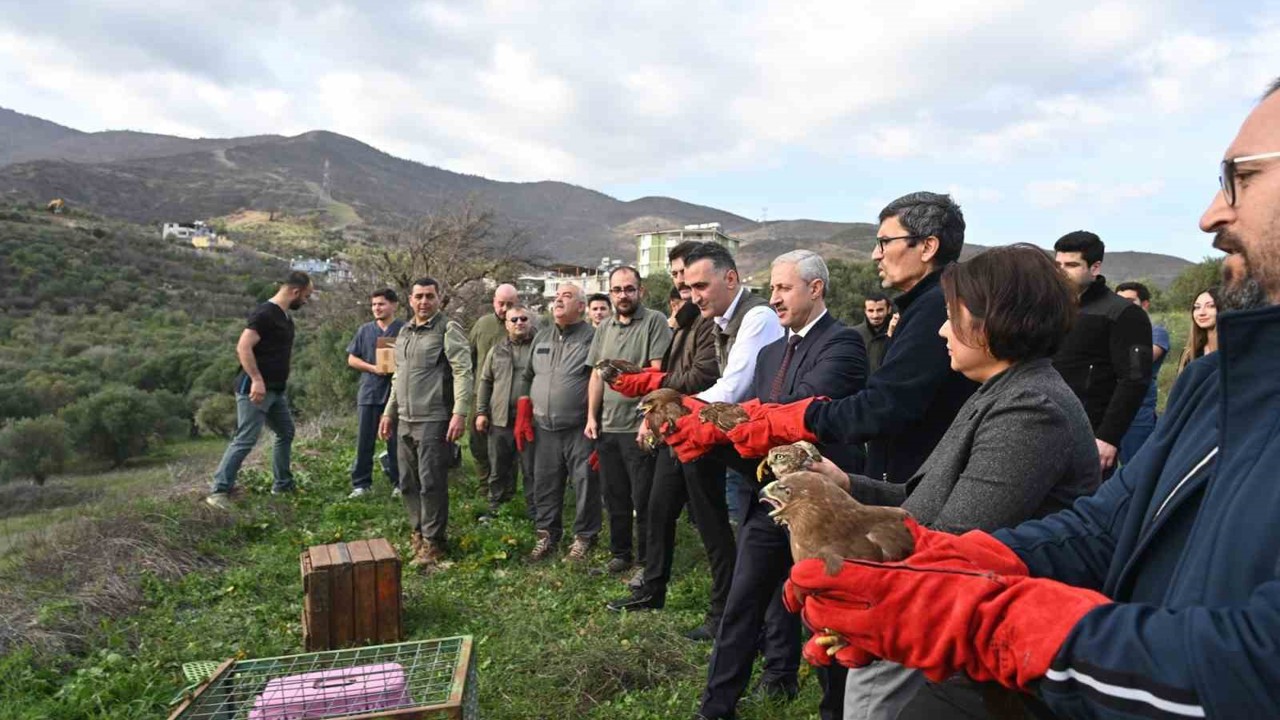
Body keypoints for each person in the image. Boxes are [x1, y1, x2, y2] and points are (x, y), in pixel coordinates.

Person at [784, 75, 1280, 720]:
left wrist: (984, 618)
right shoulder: (1220, 384)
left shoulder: (1032, 404)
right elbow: (1107, 526)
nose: (1211, 213)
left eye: (1238, 176)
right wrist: (944, 563)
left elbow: (1255, 671)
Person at [806, 244, 1101, 719]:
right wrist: (848, 486)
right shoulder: (999, 389)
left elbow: (954, 539)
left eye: (952, 316)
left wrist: (861, 584)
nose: (943, 329)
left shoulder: (1030, 410)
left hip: (976, 640)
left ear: (996, 319)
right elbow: (925, 499)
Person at [695, 249, 868, 720]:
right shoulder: (771, 352)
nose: (773, 298)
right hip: (766, 500)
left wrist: (730, 423)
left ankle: (836, 709)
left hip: (822, 505)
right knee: (742, 602)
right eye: (771, 288)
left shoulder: (844, 344)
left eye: (783, 288)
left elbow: (800, 411)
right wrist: (705, 430)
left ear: (816, 289)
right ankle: (716, 708)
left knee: (827, 610)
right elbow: (751, 421)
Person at [603, 241, 731, 643]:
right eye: (677, 275)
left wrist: (651, 384)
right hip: (675, 432)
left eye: (687, 276)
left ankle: (722, 610)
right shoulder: (687, 317)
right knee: (656, 511)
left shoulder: (711, 319)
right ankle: (652, 589)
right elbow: (680, 371)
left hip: (700, 433)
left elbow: (701, 377)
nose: (681, 284)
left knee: (713, 527)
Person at [683, 242, 786, 523]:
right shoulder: (721, 320)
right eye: (690, 288)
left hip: (765, 447)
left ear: (730, 279)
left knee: (759, 529)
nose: (694, 298)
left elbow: (735, 386)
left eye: (701, 286)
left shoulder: (758, 317)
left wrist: (677, 411)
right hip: (743, 440)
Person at [378, 277, 472, 570]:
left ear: (438, 298)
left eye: (429, 296)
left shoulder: (448, 328)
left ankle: (434, 542)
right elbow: (397, 377)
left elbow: (462, 372)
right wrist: (388, 413)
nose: (423, 302)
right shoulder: (404, 332)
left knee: (431, 482)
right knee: (407, 481)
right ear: (410, 299)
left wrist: (459, 412)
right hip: (405, 418)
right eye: (418, 296)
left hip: (434, 418)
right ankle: (418, 533)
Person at [585, 266, 672, 577]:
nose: (623, 295)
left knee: (644, 498)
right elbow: (597, 374)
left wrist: (648, 420)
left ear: (641, 291)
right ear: (610, 293)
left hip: (637, 427)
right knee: (614, 494)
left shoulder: (654, 322)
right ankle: (620, 554)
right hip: (607, 426)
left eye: (629, 289)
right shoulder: (604, 327)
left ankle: (646, 562)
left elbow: (657, 375)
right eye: (617, 290)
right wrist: (591, 417)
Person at [206, 272, 312, 510]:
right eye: (306, 295)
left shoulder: (284, 316)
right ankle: (219, 491)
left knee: (285, 431)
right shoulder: (265, 313)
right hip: (255, 390)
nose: (306, 300)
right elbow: (243, 346)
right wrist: (257, 380)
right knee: (245, 438)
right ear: (295, 291)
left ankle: (283, 484)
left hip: (275, 391)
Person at [1051, 231, 1153, 476]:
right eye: (1058, 264)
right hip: (1046, 426)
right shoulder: (1051, 308)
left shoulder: (1124, 314)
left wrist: (1108, 437)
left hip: (1089, 434)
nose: (1062, 271)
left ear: (1095, 267)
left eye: (1072, 265)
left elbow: (1134, 380)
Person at [523, 283, 601, 562]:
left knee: (585, 483)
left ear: (581, 306)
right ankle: (547, 535)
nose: (558, 301)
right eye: (556, 297)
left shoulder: (593, 337)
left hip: (579, 427)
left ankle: (584, 537)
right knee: (544, 482)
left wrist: (596, 420)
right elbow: (529, 375)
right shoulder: (541, 337)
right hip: (544, 428)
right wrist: (524, 412)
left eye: (566, 297)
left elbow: (599, 380)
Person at [475, 303, 537, 520]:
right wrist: (481, 412)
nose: (519, 323)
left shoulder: (540, 347)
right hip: (500, 419)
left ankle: (535, 512)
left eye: (523, 319)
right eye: (514, 320)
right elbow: (485, 381)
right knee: (498, 466)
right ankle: (496, 508)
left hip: (531, 420)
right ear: (506, 324)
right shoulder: (497, 350)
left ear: (530, 321)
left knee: (531, 468)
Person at [345, 288, 405, 499]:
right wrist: (373, 368)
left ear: (393, 305)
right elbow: (351, 359)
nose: (377, 308)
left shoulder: (404, 330)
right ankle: (361, 484)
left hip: (396, 394)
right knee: (365, 440)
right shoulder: (365, 330)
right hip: (369, 392)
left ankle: (400, 482)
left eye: (381, 304)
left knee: (396, 440)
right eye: (374, 305)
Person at [468, 284, 518, 491]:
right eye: (501, 303)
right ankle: (484, 485)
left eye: (510, 304)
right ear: (494, 302)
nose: (505, 308)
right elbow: (469, 356)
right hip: (480, 394)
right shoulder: (483, 324)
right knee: (477, 442)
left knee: (507, 446)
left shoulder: (523, 324)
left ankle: (507, 489)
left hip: (507, 398)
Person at [1114, 281, 1171, 465]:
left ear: (1145, 304)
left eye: (1130, 301)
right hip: (1110, 408)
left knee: (1137, 467)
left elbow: (1138, 362)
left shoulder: (1156, 332)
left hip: (1138, 410)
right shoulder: (1113, 330)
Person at [1176, 287, 1222, 373]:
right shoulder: (1189, 353)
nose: (1201, 313)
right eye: (1197, 307)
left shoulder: (1235, 351)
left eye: (1211, 306)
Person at [851, 292, 891, 375]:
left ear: (888, 309)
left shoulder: (899, 332)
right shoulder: (853, 334)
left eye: (880, 310)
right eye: (870, 311)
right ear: (865, 311)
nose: (875, 315)